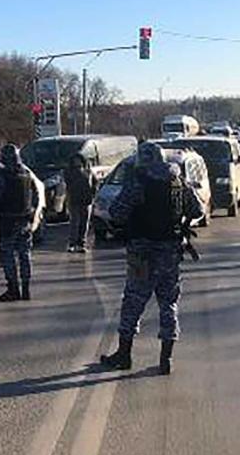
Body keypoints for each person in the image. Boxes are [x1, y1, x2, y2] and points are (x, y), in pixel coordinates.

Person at [100, 142, 204, 376]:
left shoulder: (139, 182)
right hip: (171, 253)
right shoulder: (178, 181)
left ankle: (124, 355)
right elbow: (198, 210)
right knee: (169, 304)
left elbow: (116, 213)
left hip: (142, 254)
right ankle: (166, 358)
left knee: (133, 302)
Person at [0, 144, 41, 302]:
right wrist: (32, 215)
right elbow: (36, 196)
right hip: (24, 222)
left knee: (8, 256)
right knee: (25, 255)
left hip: (8, 222)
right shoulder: (27, 174)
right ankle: (26, 289)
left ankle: (13, 289)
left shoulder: (2, 177)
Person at [64, 154, 97, 253]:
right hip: (74, 200)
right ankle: (72, 244)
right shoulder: (68, 172)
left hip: (86, 200)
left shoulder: (88, 172)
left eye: (79, 160)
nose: (77, 163)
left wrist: (93, 193)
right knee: (74, 223)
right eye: (75, 161)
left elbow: (95, 183)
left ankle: (81, 243)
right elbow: (66, 184)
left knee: (84, 223)